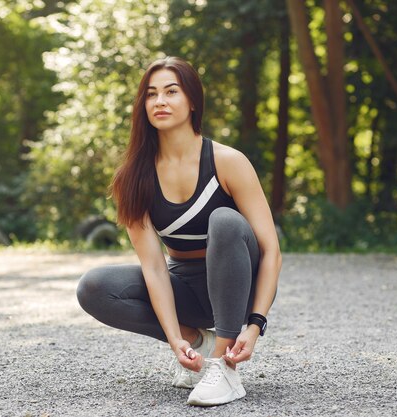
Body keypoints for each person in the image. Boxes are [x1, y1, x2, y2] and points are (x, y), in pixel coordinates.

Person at [77, 56, 282, 406]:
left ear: (191, 102)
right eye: (151, 94)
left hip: (237, 286)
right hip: (184, 290)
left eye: (172, 91)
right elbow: (154, 268)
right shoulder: (133, 177)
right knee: (94, 288)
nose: (160, 101)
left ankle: (223, 366)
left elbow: (271, 252)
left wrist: (255, 325)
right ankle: (199, 341)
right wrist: (176, 339)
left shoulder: (227, 161)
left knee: (225, 220)